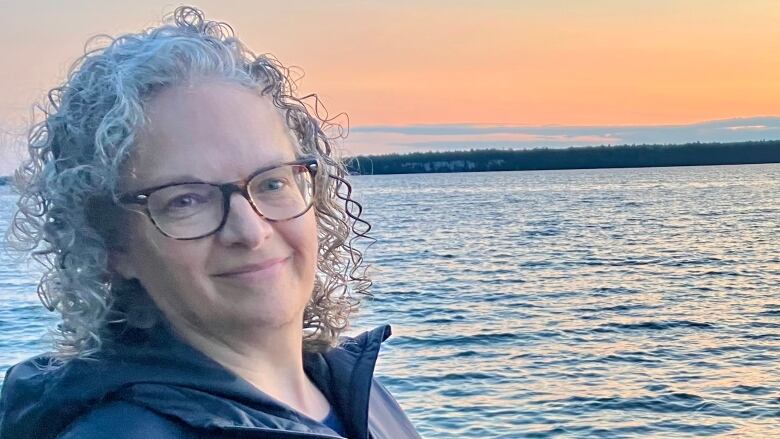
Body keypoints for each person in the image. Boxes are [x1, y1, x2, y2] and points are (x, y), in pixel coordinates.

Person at [0, 7, 420, 439]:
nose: (250, 231)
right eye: (186, 200)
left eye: (273, 183)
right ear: (112, 246)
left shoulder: (355, 393)